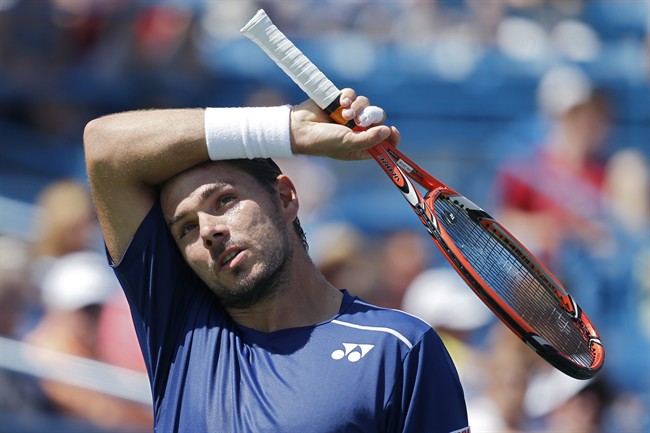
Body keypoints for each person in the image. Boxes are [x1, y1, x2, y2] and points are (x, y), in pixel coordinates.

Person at [82, 89, 469, 433]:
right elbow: (103, 147)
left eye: (225, 201)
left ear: (285, 197)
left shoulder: (401, 349)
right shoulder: (180, 330)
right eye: (185, 228)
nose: (207, 231)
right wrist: (288, 128)